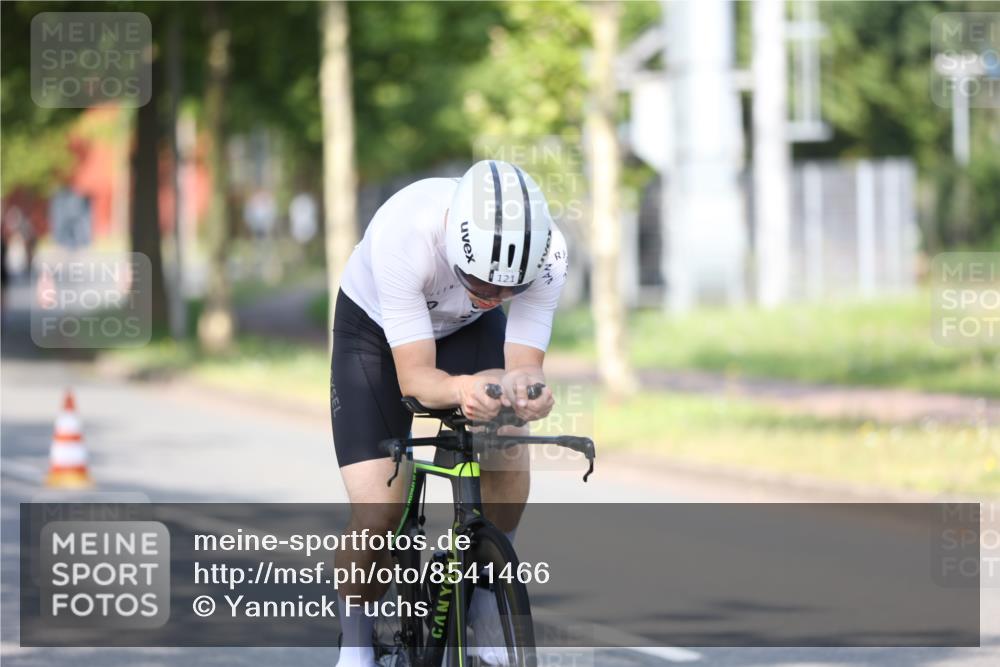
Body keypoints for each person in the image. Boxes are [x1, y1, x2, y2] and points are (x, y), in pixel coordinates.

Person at [331, 160, 568, 666]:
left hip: (466, 330)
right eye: (479, 282)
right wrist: (463, 389)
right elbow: (416, 379)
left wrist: (530, 391)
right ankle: (355, 644)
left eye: (508, 291)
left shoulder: (548, 254)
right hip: (375, 332)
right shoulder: (406, 233)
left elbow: (524, 366)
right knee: (379, 510)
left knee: (506, 445)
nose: (492, 297)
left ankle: (484, 599)